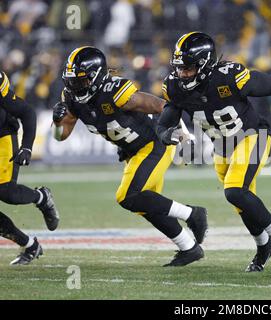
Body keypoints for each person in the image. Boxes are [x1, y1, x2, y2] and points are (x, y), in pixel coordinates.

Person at [157, 32, 271, 273]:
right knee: (243, 202)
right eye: (179, 67)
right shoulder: (175, 86)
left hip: (252, 135)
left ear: (204, 64)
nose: (182, 73)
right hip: (222, 146)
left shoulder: (229, 77)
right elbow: (164, 123)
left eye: (188, 68)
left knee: (235, 191)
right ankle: (263, 246)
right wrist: (167, 135)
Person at [52, 46, 207, 267]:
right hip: (133, 151)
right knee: (146, 204)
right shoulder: (71, 97)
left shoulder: (113, 90)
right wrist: (57, 123)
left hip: (154, 144)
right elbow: (61, 136)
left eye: (80, 80)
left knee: (128, 196)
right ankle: (189, 248)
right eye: (71, 81)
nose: (74, 86)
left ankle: (192, 213)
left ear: (96, 76)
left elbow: (161, 106)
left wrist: (179, 131)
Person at [0, 70, 59, 265]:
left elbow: (26, 112)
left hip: (2, 135)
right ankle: (30, 245)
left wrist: (26, 147)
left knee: (6, 191)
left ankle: (41, 197)